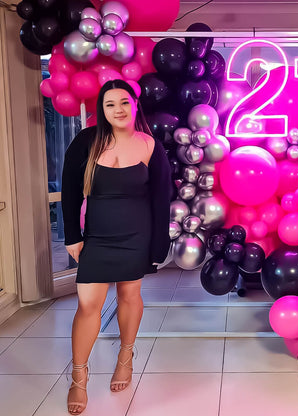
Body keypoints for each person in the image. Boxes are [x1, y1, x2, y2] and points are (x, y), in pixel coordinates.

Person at [61, 79, 171, 415]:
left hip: (137, 235)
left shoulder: (151, 145)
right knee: (88, 304)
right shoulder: (86, 142)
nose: (118, 110)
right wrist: (72, 237)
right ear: (102, 110)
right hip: (98, 236)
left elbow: (161, 199)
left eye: (124, 102)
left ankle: (126, 354)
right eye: (110, 105)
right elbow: (69, 192)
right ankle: (79, 375)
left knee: (129, 295)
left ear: (135, 103)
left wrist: (158, 245)